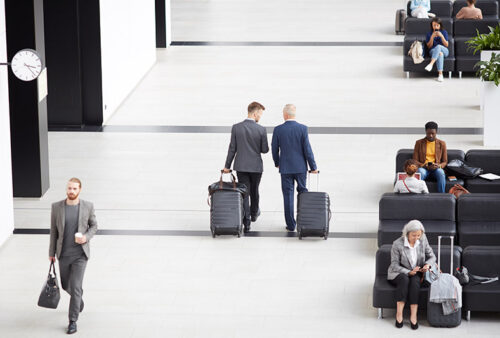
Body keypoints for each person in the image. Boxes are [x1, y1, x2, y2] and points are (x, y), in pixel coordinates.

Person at [49, 178, 98, 334]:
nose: (71, 191)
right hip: (63, 254)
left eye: (74, 189)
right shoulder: (57, 207)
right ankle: (78, 298)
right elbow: (53, 232)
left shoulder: (87, 206)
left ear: (80, 190)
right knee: (65, 285)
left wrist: (86, 237)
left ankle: (72, 321)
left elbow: (94, 226)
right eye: (69, 188)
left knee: (75, 286)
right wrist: (51, 253)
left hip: (80, 255)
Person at [223, 102, 269, 233]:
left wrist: (227, 166)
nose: (260, 117)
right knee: (255, 190)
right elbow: (265, 150)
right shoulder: (261, 129)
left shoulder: (236, 127)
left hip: (241, 166)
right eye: (260, 114)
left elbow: (232, 148)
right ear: (255, 113)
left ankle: (246, 222)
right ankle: (254, 214)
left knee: (244, 192)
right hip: (256, 167)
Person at [271, 104, 318, 232]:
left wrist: (277, 162)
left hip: (285, 168)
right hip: (300, 167)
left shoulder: (278, 129)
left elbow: (274, 149)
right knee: (303, 193)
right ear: (294, 114)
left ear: (285, 114)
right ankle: (304, 221)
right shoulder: (302, 128)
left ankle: (291, 225)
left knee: (288, 195)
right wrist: (313, 166)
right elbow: (307, 149)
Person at [388, 220, 436, 330]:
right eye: (413, 235)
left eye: (419, 235)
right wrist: (408, 272)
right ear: (407, 233)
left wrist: (427, 265)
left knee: (414, 283)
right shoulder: (397, 244)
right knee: (404, 280)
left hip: (417, 272)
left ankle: (413, 316)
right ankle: (399, 314)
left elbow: (432, 256)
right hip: (399, 272)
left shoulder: (423, 240)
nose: (416, 238)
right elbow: (394, 265)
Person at [412, 121, 448, 193]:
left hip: (436, 168)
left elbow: (445, 161)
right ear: (425, 132)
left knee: (441, 173)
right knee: (420, 172)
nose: (431, 135)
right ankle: (416, 194)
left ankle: (442, 196)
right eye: (429, 133)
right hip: (424, 168)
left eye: (433, 134)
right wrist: (424, 165)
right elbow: (415, 160)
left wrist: (439, 166)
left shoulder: (442, 144)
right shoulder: (419, 143)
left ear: (436, 132)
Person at [424, 17, 450, 82]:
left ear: (440, 25)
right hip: (433, 51)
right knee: (440, 54)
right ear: (432, 25)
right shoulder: (429, 34)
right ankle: (440, 75)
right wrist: (432, 37)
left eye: (437, 25)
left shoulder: (444, 32)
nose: (436, 27)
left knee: (439, 46)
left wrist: (441, 36)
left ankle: (431, 64)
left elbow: (446, 45)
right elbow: (429, 46)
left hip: (445, 50)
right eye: (434, 25)